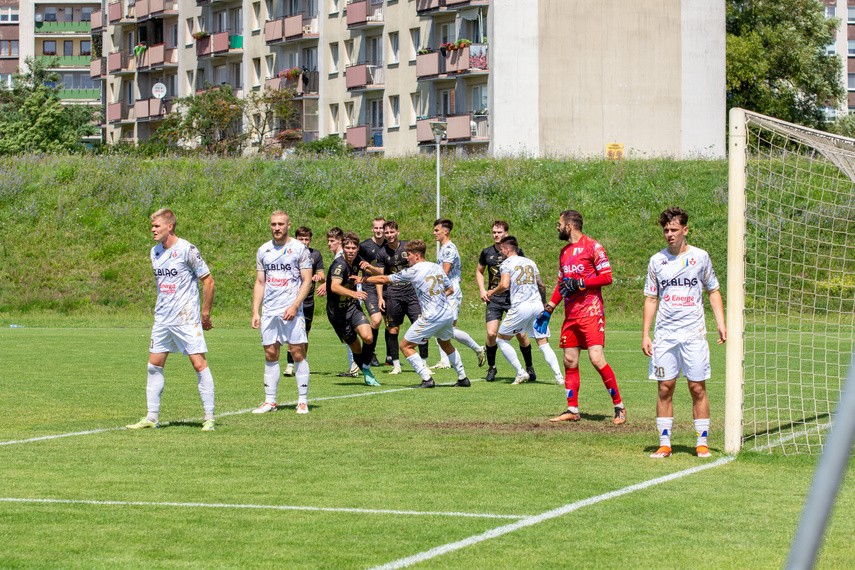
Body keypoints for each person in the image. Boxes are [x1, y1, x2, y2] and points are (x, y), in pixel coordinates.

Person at [642, 207, 726, 458]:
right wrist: (646, 334)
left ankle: (701, 443)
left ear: (685, 230)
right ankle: (665, 444)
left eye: (674, 230)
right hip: (665, 335)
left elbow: (713, 291)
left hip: (694, 334)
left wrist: (721, 323)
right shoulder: (657, 260)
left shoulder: (701, 257)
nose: (669, 234)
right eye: (666, 230)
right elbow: (650, 298)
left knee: (697, 388)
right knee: (665, 388)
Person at [126, 209, 217, 431]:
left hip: (186, 318)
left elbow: (208, 281)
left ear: (170, 226)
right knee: (153, 366)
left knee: (198, 363)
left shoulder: (187, 249)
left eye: (157, 226)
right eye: (152, 226)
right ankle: (151, 418)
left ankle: (209, 418)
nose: (153, 230)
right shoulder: (155, 252)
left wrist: (205, 314)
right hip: (162, 319)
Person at [535, 209, 626, 425]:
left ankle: (619, 407)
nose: (556, 227)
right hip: (571, 314)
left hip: (592, 313)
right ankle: (572, 409)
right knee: (569, 361)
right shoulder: (564, 252)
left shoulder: (593, 246)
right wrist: (549, 308)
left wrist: (581, 283)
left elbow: (607, 277)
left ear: (569, 226)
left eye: (559, 224)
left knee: (596, 359)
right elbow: (561, 284)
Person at [355, 239, 470, 388]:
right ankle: (463, 377)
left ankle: (426, 379)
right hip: (446, 313)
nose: (406, 258)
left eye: (408, 255)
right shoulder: (436, 267)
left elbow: (384, 279)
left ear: (417, 255)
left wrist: (363, 279)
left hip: (432, 316)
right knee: (445, 343)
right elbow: (450, 289)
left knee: (405, 346)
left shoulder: (414, 270)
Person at [488, 236, 563, 385]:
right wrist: (543, 305)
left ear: (508, 249)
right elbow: (541, 285)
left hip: (521, 306)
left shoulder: (506, 263)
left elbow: (504, 285)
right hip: (536, 306)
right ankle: (559, 377)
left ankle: (521, 372)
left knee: (501, 340)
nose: (501, 252)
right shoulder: (530, 262)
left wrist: (491, 292)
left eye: (502, 249)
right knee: (543, 343)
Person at [476, 220, 535, 382]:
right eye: (494, 232)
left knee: (521, 335)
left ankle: (529, 367)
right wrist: (482, 289)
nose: (496, 235)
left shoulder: (517, 252)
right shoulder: (486, 252)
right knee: (491, 333)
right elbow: (479, 271)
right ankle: (492, 367)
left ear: (506, 234)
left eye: (499, 232)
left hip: (513, 299)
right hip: (494, 298)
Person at [326, 231, 381, 386]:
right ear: (343, 248)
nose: (350, 251)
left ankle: (367, 369)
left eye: (353, 248)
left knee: (368, 337)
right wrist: (354, 293)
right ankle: (365, 372)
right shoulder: (339, 264)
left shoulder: (358, 260)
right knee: (356, 347)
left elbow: (379, 274)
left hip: (352, 307)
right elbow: (334, 287)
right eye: (347, 248)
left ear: (357, 248)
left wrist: (370, 267)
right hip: (337, 313)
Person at [430, 218, 486, 369]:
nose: (434, 233)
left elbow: (445, 272)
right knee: (439, 327)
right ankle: (445, 361)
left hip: (451, 294)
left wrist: (433, 290)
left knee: (449, 330)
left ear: (445, 231)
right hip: (445, 293)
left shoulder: (448, 249)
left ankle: (478, 349)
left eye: (437, 230)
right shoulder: (443, 248)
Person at [376, 220, 431, 375]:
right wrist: (380, 297)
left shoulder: (408, 248)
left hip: (412, 294)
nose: (389, 235)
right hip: (393, 295)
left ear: (397, 232)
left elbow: (421, 268)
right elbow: (380, 277)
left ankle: (424, 363)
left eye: (392, 232)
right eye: (386, 232)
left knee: (421, 327)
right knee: (393, 329)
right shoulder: (382, 253)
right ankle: (396, 365)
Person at [282, 226, 325, 377]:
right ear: (296, 239)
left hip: (307, 301)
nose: (304, 242)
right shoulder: (288, 253)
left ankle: (301, 363)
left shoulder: (315, 254)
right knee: (291, 333)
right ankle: (289, 365)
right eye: (301, 239)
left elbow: (321, 274)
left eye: (307, 239)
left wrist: (320, 278)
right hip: (291, 300)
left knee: (304, 335)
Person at [358, 217, 388, 367]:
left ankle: (391, 357)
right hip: (369, 287)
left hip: (387, 286)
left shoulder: (390, 245)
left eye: (381, 228)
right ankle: (371, 353)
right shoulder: (364, 246)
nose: (379, 230)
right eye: (376, 228)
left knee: (390, 323)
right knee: (376, 320)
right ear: (372, 229)